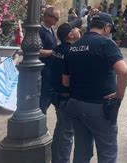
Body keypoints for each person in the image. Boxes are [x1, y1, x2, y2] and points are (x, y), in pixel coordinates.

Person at [63, 13, 127, 163]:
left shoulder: (74, 46)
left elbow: (65, 81)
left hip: (75, 103)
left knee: (81, 150)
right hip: (98, 106)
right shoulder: (106, 44)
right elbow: (123, 71)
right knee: (107, 152)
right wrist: (119, 94)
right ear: (106, 27)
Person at [51, 21, 81, 163]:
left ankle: (56, 158)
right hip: (66, 96)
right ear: (70, 35)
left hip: (57, 94)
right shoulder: (71, 52)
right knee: (67, 133)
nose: (77, 30)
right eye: (75, 29)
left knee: (60, 128)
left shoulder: (57, 49)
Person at [39, 6, 60, 114]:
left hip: (51, 69)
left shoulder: (51, 30)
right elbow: (36, 51)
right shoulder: (39, 30)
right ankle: (40, 121)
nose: (57, 21)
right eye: (55, 18)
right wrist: (53, 52)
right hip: (43, 69)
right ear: (47, 16)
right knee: (44, 96)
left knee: (49, 95)